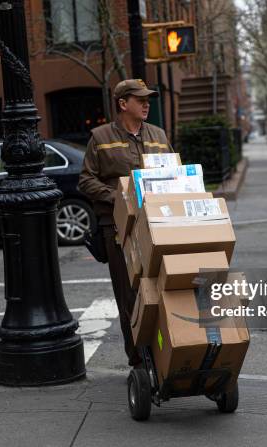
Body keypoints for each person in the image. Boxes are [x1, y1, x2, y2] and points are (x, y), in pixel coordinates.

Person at [78, 79, 174, 367]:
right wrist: (119, 197)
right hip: (119, 229)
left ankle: (164, 351)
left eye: (148, 99)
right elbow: (85, 180)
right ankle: (139, 362)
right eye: (140, 99)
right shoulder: (101, 136)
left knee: (162, 289)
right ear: (123, 103)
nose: (147, 104)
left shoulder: (158, 134)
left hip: (158, 224)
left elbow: (175, 172)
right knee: (129, 296)